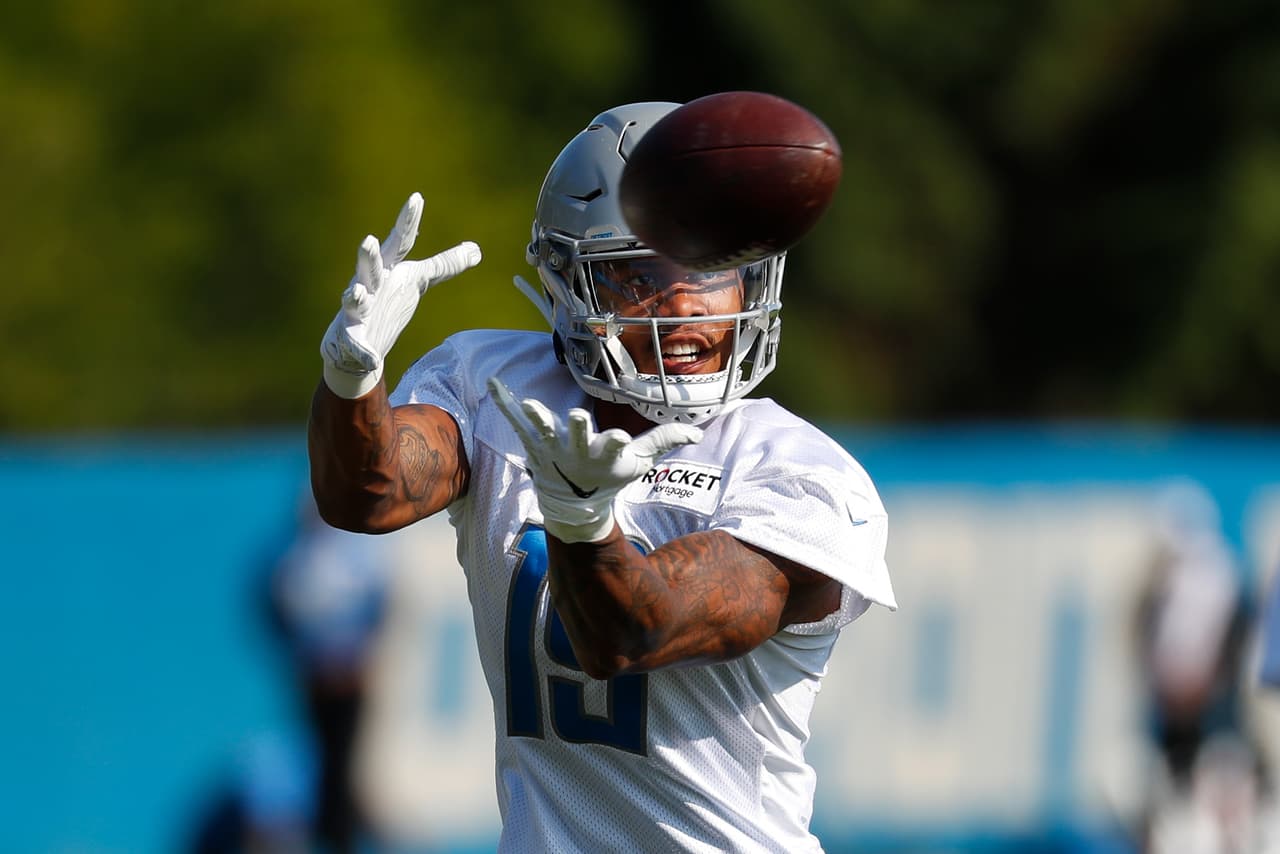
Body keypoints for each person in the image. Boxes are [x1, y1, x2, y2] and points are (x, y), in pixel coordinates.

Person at [308, 101, 896, 852]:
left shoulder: (797, 473)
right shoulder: (492, 382)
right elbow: (364, 493)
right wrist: (351, 374)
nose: (684, 304)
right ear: (568, 282)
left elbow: (631, 634)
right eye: (642, 274)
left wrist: (582, 519)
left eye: (714, 269)